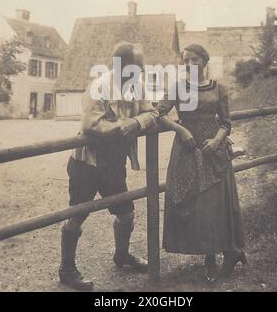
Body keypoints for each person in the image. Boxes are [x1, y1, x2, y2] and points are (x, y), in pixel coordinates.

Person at [59, 42, 158, 290]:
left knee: (126, 214)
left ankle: (122, 256)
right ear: (123, 66)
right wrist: (120, 127)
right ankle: (67, 270)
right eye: (139, 65)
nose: (144, 68)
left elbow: (152, 113)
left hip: (114, 163)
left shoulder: (139, 86)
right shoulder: (99, 87)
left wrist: (134, 122)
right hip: (87, 163)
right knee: (77, 215)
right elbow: (91, 125)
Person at [157, 44, 246, 282]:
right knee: (193, 202)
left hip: (212, 150)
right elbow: (160, 113)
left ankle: (217, 257)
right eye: (185, 61)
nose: (189, 65)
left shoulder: (219, 89)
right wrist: (180, 129)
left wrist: (217, 141)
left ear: (205, 62)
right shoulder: (178, 87)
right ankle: (206, 254)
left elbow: (226, 123)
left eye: (194, 60)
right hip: (186, 148)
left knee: (213, 204)